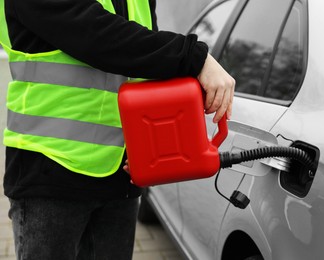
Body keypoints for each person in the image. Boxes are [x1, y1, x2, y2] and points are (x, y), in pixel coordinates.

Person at [0, 0, 235, 259]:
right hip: (51, 172)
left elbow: (143, 66)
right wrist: (194, 57)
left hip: (121, 176)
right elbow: (98, 37)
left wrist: (146, 147)